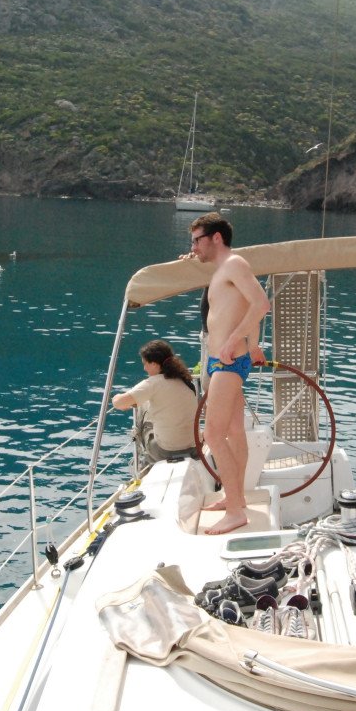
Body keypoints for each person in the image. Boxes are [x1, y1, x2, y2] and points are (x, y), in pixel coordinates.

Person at [183, 212, 270, 535]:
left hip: (228, 362)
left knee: (214, 434)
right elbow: (248, 305)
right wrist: (253, 342)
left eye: (196, 241)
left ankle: (235, 511)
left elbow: (261, 303)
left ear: (216, 238)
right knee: (234, 432)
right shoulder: (224, 269)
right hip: (225, 361)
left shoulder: (234, 264)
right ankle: (237, 498)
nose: (193, 248)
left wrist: (236, 340)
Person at [111, 340, 199, 465]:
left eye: (146, 364)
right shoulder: (185, 379)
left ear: (154, 364)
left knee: (142, 407)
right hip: (194, 449)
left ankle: (145, 461)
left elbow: (118, 403)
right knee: (148, 402)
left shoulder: (152, 383)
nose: (144, 368)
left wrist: (118, 398)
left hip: (165, 451)